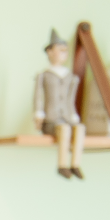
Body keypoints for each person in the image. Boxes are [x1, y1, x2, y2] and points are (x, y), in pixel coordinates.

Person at [34, 28, 85, 179]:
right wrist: (38, 115)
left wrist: (74, 115)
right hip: (51, 120)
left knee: (80, 129)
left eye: (65, 51)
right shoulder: (44, 75)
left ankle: (75, 164)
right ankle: (62, 165)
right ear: (50, 52)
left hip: (67, 116)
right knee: (64, 130)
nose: (64, 53)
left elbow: (70, 99)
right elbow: (38, 96)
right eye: (60, 50)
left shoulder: (70, 77)